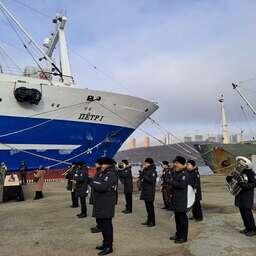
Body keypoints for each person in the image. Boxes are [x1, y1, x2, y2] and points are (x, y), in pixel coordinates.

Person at [92, 157, 118, 255]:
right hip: (100, 202)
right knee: (101, 225)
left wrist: (93, 183)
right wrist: (95, 183)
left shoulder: (111, 174)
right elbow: (97, 182)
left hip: (106, 203)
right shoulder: (103, 173)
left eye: (102, 164)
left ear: (107, 164)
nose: (101, 166)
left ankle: (109, 246)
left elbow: (102, 186)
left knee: (107, 226)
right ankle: (104, 243)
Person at [227, 156, 256, 236]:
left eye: (241, 165)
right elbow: (233, 180)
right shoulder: (239, 172)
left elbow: (253, 184)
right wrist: (229, 178)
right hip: (239, 195)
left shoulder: (250, 173)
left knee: (248, 214)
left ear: (246, 166)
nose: (239, 166)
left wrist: (244, 185)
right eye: (239, 164)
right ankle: (247, 228)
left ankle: (253, 229)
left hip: (247, 196)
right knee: (243, 213)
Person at [169, 156, 189, 244]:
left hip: (181, 199)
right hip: (176, 198)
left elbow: (182, 185)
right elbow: (173, 179)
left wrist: (171, 182)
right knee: (177, 218)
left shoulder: (185, 173)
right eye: (174, 163)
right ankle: (178, 234)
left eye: (176, 163)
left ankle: (183, 237)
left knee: (182, 219)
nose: (175, 164)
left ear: (181, 164)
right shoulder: (177, 172)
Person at [140, 157, 157, 227]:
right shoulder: (146, 170)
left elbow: (152, 181)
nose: (145, 164)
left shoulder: (153, 171)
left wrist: (144, 176)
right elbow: (141, 177)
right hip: (145, 190)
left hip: (150, 191)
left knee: (150, 207)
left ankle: (152, 221)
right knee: (147, 207)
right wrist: (141, 171)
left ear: (149, 163)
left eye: (146, 163)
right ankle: (148, 220)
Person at [90, 157, 104, 233]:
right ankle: (98, 225)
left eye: (96, 163)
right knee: (97, 212)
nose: (95, 164)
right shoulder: (98, 171)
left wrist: (92, 182)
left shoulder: (101, 172)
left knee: (99, 212)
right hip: (95, 194)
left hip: (99, 195)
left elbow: (99, 184)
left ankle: (100, 226)